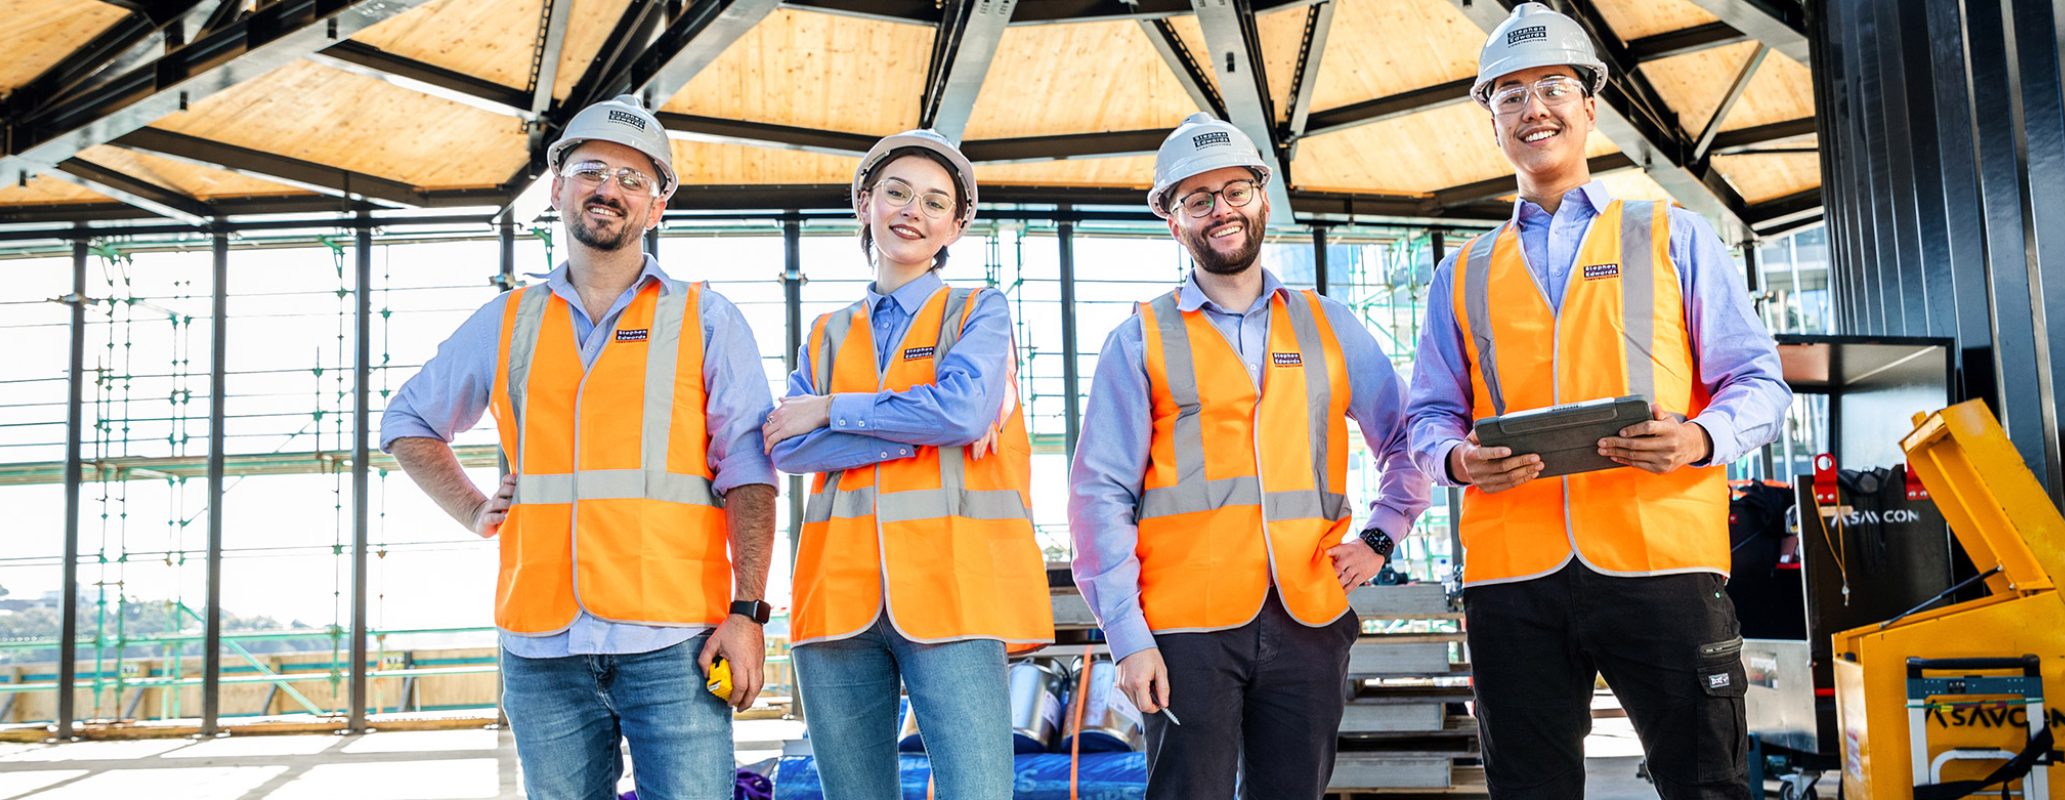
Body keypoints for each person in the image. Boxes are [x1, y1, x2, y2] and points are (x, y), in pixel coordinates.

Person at [1402, 5, 1793, 797]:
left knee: (1705, 783)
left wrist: (1700, 438)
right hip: (1512, 576)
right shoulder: (1463, 272)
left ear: (1589, 103)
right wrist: (1454, 457)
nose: (1532, 108)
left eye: (1551, 86)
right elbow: (1426, 415)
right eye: (1508, 94)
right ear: (1491, 118)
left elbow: (1759, 382)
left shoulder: (1673, 235)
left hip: (1663, 559)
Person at [380, 94, 779, 799]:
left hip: (674, 640)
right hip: (541, 645)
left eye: (634, 181)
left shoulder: (706, 318)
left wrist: (747, 614)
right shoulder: (507, 321)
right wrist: (475, 510)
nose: (610, 190)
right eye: (593, 171)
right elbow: (408, 422)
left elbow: (749, 474)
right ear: (559, 187)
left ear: (657, 209)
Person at [1067, 113, 1433, 798]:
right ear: (1173, 222)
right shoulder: (1140, 338)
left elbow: (1410, 437)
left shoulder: (1330, 323)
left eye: (1235, 190)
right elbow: (1097, 496)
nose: (1221, 210)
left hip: (1308, 618)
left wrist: (1383, 535)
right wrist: (1128, 636)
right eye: (1197, 199)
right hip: (1184, 626)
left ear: (1262, 199)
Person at [763, 129, 1053, 800]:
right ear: (865, 203)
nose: (910, 211)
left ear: (956, 224)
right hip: (836, 599)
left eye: (932, 201)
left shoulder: (978, 310)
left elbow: (964, 413)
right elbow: (787, 445)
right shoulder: (827, 332)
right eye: (895, 192)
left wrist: (832, 407)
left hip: (954, 593)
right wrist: (922, 426)